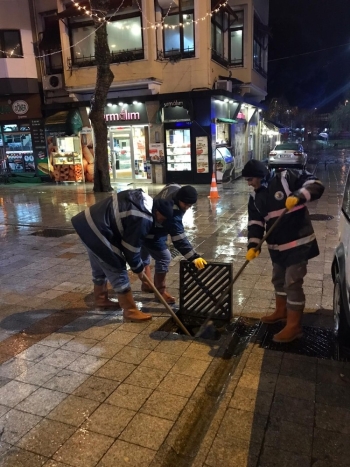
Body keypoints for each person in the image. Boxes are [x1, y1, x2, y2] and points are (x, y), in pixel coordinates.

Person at [242, 160, 324, 343]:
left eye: (250, 179)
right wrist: (253, 246)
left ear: (260, 175)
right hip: (277, 247)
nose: (249, 183)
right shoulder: (255, 197)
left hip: (297, 243)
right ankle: (281, 312)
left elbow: (316, 184)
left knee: (292, 283)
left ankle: (294, 327)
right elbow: (255, 223)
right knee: (278, 280)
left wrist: (299, 195)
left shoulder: (286, 177)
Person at [71, 188, 174, 322]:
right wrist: (138, 268)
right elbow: (131, 248)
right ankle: (130, 310)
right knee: (116, 265)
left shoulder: (144, 201)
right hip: (97, 228)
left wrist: (138, 267)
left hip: (85, 223)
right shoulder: (144, 218)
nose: (161, 222)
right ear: (157, 212)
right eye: (162, 218)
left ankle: (101, 299)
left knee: (100, 263)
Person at [140, 184, 207, 304]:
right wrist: (193, 257)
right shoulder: (173, 213)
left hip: (144, 225)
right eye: (185, 205)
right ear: (179, 199)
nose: (187, 208)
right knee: (164, 258)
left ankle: (147, 284)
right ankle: (160, 293)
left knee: (144, 254)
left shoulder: (174, 188)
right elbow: (178, 238)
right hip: (153, 231)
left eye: (190, 205)